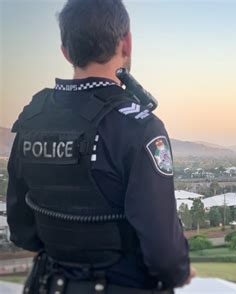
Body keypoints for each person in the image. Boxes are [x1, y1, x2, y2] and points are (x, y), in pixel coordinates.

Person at [6, 0, 195, 293]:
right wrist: (179, 271)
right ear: (127, 44)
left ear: (66, 51)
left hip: (48, 285)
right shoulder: (140, 126)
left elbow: (22, 230)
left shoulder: (33, 116)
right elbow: (164, 256)